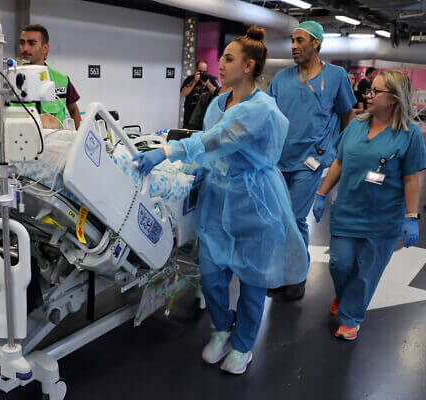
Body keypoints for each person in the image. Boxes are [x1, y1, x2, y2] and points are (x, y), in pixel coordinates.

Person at [134, 26, 307, 374]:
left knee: (253, 280)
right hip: (217, 196)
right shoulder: (216, 102)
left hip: (255, 199)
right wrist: (195, 169)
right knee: (212, 275)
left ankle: (243, 345)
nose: (220, 64)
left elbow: (217, 139)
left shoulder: (260, 109)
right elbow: (207, 145)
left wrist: (166, 152)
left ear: (249, 66)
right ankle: (222, 326)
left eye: (229, 58)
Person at [313, 71, 425, 340]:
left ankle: (351, 316)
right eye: (369, 90)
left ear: (394, 99)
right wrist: (320, 193)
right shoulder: (355, 126)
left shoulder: (409, 136)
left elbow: (412, 179)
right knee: (339, 264)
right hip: (348, 211)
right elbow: (339, 162)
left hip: (383, 218)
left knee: (366, 270)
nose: (367, 95)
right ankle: (344, 296)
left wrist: (411, 216)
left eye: (376, 92)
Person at [267, 21, 356, 300]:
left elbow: (347, 116)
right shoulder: (281, 78)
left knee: (294, 217)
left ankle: (297, 276)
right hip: (279, 160)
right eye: (292, 41)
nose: (294, 46)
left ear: (315, 43)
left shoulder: (336, 76)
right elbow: (269, 118)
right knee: (280, 219)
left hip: (311, 161)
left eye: (299, 41)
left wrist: (340, 150)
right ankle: (284, 271)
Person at [0, 24, 82, 129]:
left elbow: (74, 111)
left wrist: (79, 138)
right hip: (19, 141)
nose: (25, 48)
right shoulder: (7, 77)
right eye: (22, 43)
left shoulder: (62, 80)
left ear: (45, 48)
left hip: (55, 143)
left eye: (31, 43)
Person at [180, 60, 219, 128]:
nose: (203, 74)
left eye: (205, 72)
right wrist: (194, 81)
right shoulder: (190, 79)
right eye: (200, 72)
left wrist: (207, 84)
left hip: (206, 118)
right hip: (190, 118)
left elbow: (217, 94)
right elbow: (183, 93)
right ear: (196, 70)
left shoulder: (211, 79)